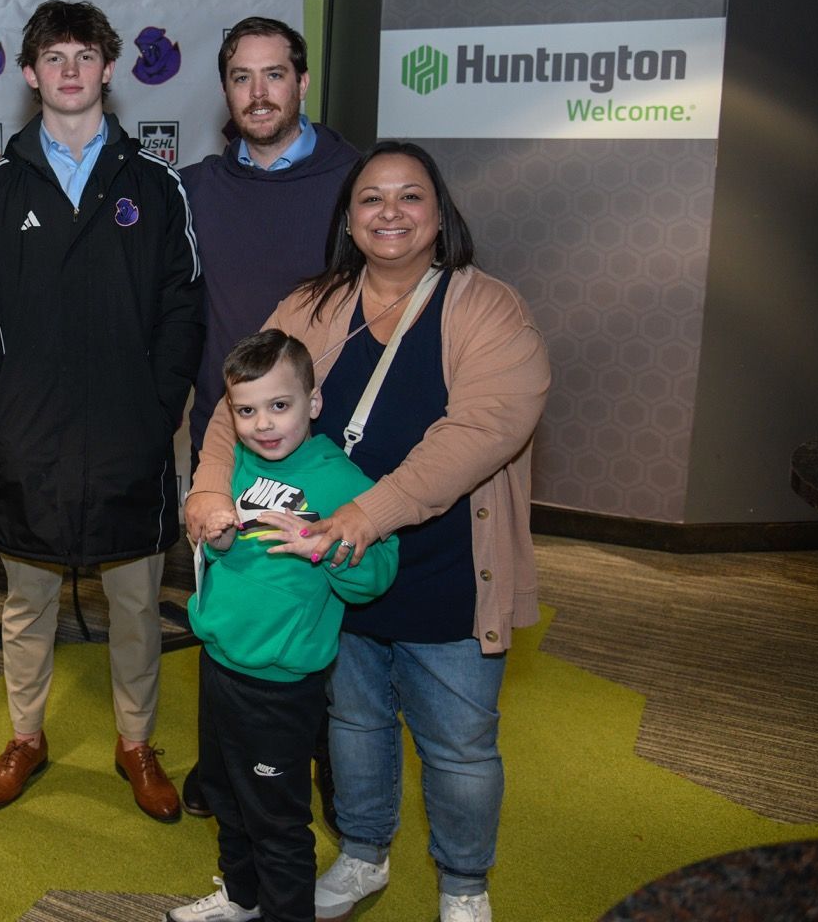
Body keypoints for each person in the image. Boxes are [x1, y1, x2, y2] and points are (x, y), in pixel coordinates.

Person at [186, 141, 550, 922]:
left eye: (409, 197)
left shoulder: (488, 309)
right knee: (353, 726)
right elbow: (234, 400)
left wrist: (365, 515)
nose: (390, 212)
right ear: (348, 221)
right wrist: (209, 488)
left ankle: (463, 887)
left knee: (457, 746)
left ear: (439, 213)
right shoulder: (314, 306)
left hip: (447, 566)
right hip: (330, 578)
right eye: (371, 199)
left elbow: (486, 429)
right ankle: (361, 856)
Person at [0, 0, 203, 823]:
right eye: (53, 56)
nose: (68, 70)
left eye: (84, 55)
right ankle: (26, 737)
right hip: (32, 440)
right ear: (30, 74)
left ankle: (136, 742)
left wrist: (156, 407)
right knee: (28, 604)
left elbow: (184, 308)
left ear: (106, 69)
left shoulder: (155, 186)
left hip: (129, 436)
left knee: (135, 605)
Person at [175, 16, 358, 818]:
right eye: (243, 78)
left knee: (325, 609)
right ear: (226, 89)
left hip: (327, 435)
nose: (259, 92)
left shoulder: (357, 181)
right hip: (227, 435)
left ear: (303, 81)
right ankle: (223, 768)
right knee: (229, 601)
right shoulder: (197, 190)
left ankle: (327, 768)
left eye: (275, 74)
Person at [168, 329, 397, 922]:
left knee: (275, 818)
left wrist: (321, 545)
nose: (263, 424)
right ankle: (242, 899)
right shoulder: (237, 466)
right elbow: (228, 558)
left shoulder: (342, 481)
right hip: (219, 665)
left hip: (280, 686)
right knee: (224, 795)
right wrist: (216, 540)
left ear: (312, 404)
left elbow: (375, 577)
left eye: (279, 405)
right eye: (246, 410)